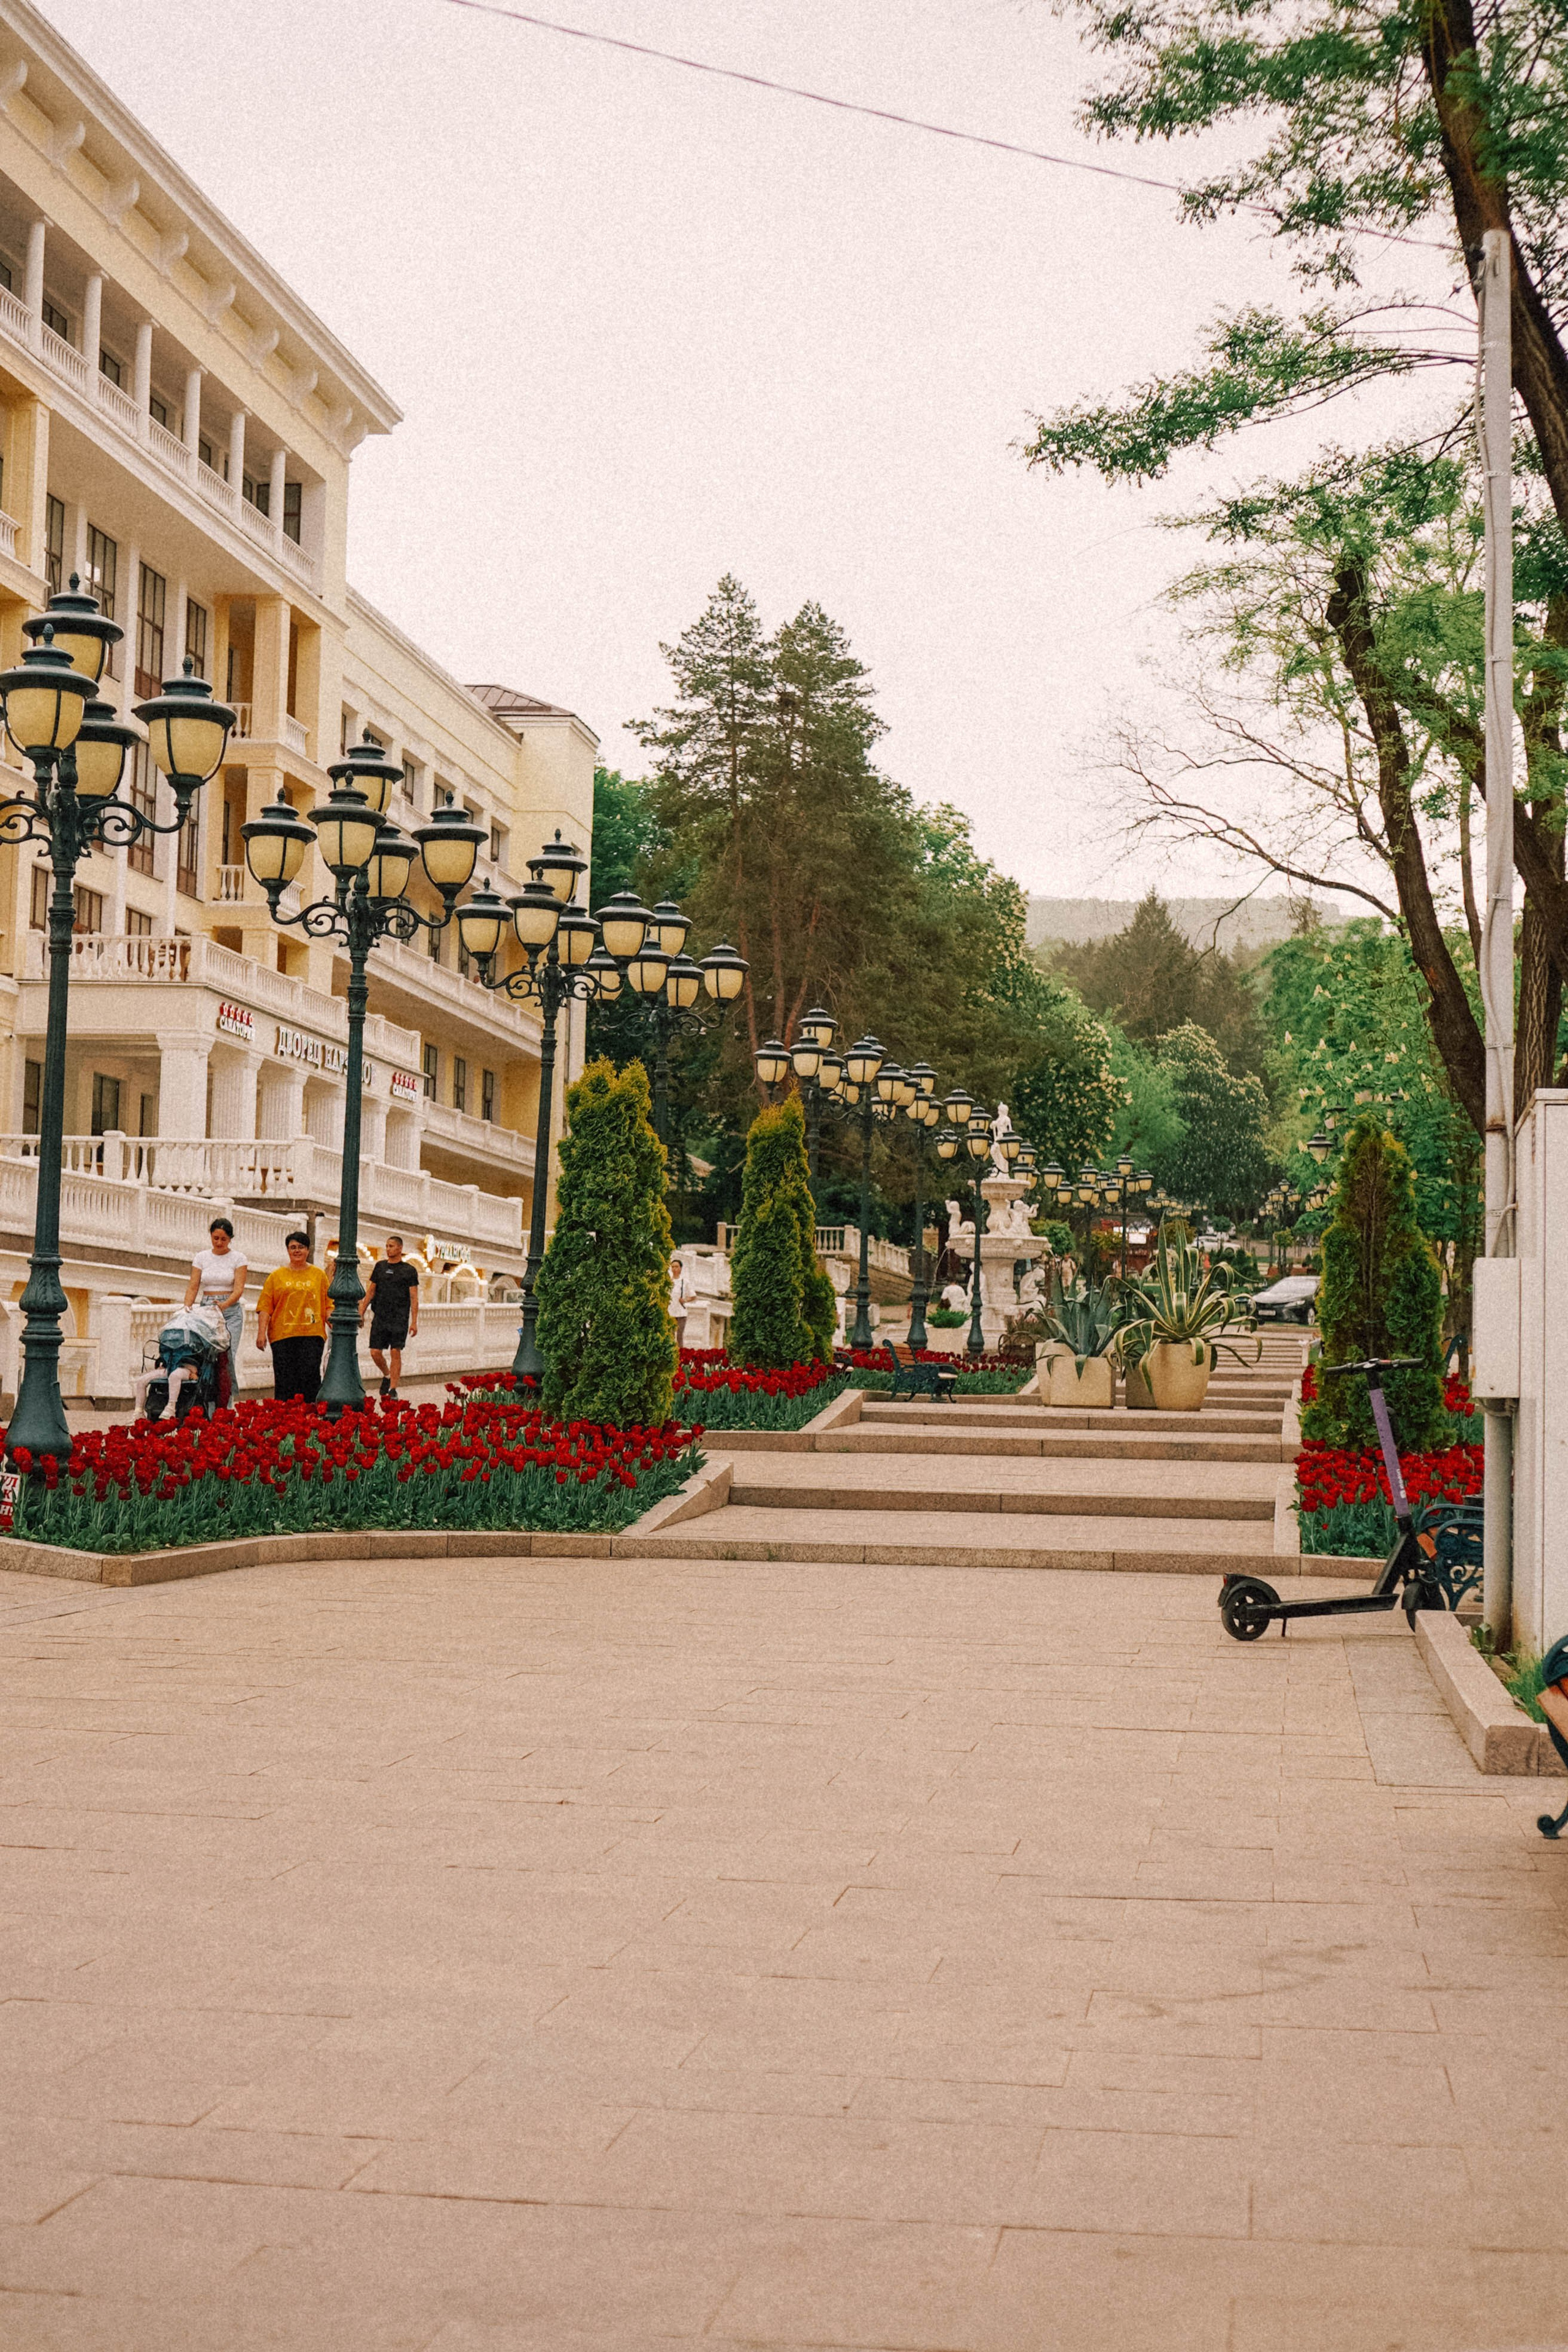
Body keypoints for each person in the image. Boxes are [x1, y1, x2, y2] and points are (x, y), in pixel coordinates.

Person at [255, 1233, 330, 1403]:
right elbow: (266, 1307)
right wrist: (261, 1334)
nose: (297, 1251)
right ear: (288, 1250)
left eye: (301, 1247)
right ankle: (284, 1422)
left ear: (308, 1250)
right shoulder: (276, 1276)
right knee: (285, 1380)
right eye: (293, 1247)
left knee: (310, 1377)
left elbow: (328, 1305)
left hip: (312, 1335)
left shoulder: (319, 1275)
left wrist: (335, 1325)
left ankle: (310, 1419)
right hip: (283, 1336)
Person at [186, 1216, 247, 1404]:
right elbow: (193, 1286)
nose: (219, 1243)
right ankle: (207, 1402)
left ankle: (227, 1403)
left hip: (229, 1311)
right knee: (206, 1356)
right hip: (207, 1309)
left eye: (224, 1239)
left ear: (230, 1239)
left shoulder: (238, 1258)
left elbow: (238, 1289)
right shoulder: (202, 1257)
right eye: (216, 1238)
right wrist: (187, 1308)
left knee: (226, 1357)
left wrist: (224, 1305)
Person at [361, 1235, 419, 1397]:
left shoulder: (409, 1270)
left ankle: (393, 1389)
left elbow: (414, 1297)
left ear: (400, 1248)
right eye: (387, 1246)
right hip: (380, 1316)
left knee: (395, 1352)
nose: (388, 1249)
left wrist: (414, 1322)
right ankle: (387, 1375)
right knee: (375, 1352)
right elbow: (371, 1291)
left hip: (399, 1318)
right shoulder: (380, 1267)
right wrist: (362, 1311)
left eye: (391, 1246)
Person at [669, 1254, 695, 1353]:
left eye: (676, 1267)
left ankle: (682, 1355)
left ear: (680, 1268)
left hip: (681, 1313)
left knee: (679, 1336)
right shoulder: (669, 1282)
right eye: (673, 1267)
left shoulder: (685, 1282)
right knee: (670, 1335)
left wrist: (684, 1300)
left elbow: (693, 1296)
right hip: (670, 1312)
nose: (674, 1269)